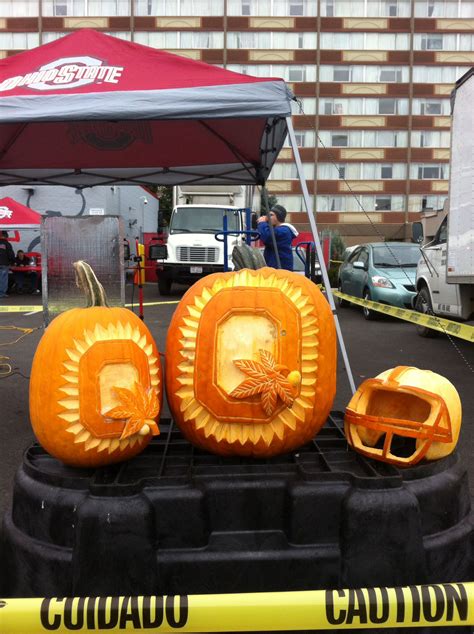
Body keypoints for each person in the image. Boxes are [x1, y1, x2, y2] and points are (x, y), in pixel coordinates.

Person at [257, 204, 299, 271]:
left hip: (280, 271)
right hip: (276, 269)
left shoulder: (284, 231)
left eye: (271, 215)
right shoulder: (278, 230)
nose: (268, 217)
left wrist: (262, 223)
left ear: (279, 217)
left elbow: (267, 237)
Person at [0, 231, 14, 298]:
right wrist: (12, 262)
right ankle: (2, 293)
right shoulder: (7, 244)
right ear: (6, 236)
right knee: (3, 279)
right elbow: (11, 255)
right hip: (4, 264)